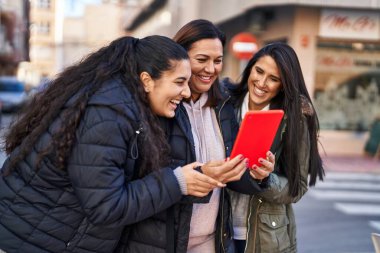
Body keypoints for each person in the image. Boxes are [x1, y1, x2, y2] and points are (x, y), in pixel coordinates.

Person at [0, 35, 231, 253]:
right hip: (31, 242)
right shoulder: (108, 115)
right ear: (147, 80)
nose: (186, 91)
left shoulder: (126, 105)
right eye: (180, 82)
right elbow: (106, 206)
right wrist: (178, 182)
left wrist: (194, 177)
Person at [170, 19, 275, 253]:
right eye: (201, 60)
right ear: (180, 58)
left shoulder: (224, 105)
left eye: (217, 61)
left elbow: (232, 176)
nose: (210, 69)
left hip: (211, 239)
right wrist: (199, 175)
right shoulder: (164, 104)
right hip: (167, 238)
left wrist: (258, 175)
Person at [226, 42, 325, 253]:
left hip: (265, 238)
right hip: (217, 230)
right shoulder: (225, 104)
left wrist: (266, 178)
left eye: (273, 79)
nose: (261, 83)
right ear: (250, 68)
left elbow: (297, 187)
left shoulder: (295, 118)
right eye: (259, 71)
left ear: (284, 84)